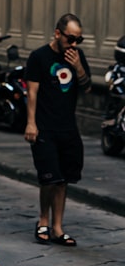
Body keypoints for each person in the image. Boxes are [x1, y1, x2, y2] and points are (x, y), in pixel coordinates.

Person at [23, 13, 91, 247]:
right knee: (49, 178)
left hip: (68, 128)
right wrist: (31, 123)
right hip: (44, 127)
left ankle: (58, 228)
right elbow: (31, 93)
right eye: (70, 39)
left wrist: (78, 67)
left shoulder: (76, 57)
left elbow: (88, 87)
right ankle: (43, 220)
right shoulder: (39, 57)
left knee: (63, 180)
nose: (73, 45)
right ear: (58, 33)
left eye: (78, 40)